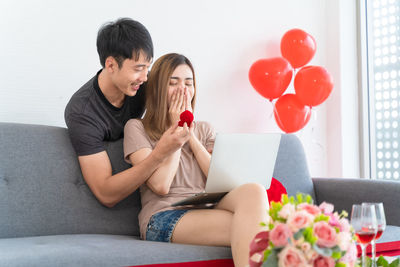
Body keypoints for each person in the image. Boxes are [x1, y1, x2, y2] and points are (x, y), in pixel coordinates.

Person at [123, 53, 270, 267]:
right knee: (258, 229)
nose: (183, 90)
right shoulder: (136, 127)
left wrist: (190, 135)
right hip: (163, 216)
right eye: (173, 83)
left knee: (254, 191)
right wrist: (177, 133)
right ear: (157, 89)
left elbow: (221, 182)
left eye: (188, 83)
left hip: (205, 206)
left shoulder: (204, 129)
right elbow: (160, 185)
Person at [64, 18, 191, 208]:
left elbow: (174, 99)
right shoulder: (82, 112)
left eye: (148, 67)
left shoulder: (141, 84)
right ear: (111, 65)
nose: (145, 77)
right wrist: (158, 155)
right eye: (139, 69)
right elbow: (105, 194)